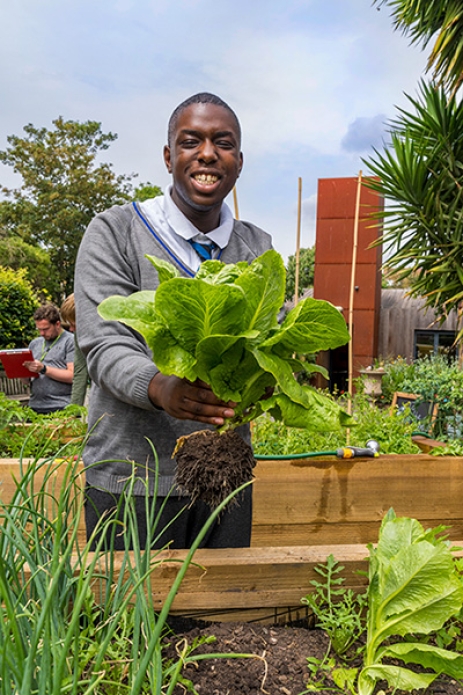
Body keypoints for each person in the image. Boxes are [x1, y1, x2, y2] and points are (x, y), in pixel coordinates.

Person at [74, 92, 273, 550]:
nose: (207, 154)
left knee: (223, 621)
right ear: (169, 156)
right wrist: (160, 387)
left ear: (238, 162)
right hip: (132, 477)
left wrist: (272, 378)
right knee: (132, 620)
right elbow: (104, 344)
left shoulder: (256, 247)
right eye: (191, 142)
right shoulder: (116, 231)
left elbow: (274, 341)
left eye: (222, 143)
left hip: (226, 479)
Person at [24, 304, 75, 414]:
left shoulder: (70, 341)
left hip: (61, 406)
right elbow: (27, 381)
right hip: (34, 406)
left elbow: (73, 376)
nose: (42, 333)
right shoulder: (34, 344)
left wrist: (44, 369)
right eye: (39, 329)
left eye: (46, 329)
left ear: (57, 324)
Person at [60, 293, 90, 407]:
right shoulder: (78, 335)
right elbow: (80, 370)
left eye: (73, 324)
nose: (71, 329)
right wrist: (74, 411)